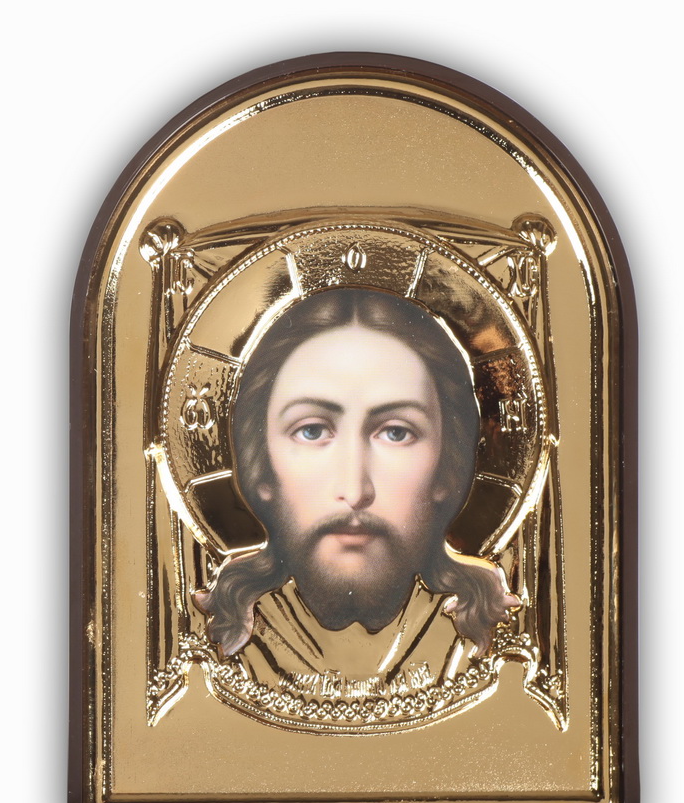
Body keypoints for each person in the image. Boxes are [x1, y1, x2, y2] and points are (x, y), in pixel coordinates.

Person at [194, 288, 518, 700]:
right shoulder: (227, 651)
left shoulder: (472, 646)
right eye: (312, 430)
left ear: (448, 467)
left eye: (396, 432)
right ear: (260, 467)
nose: (355, 490)